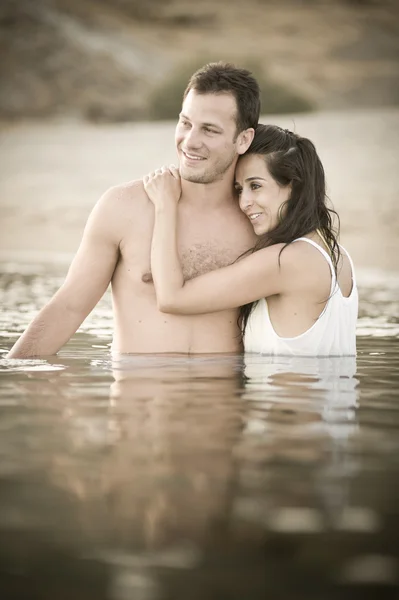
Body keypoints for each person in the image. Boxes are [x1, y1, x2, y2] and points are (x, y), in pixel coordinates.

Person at [8, 62, 260, 358]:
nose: (190, 141)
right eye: (185, 123)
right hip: (139, 396)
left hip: (223, 400)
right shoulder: (124, 207)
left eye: (209, 130)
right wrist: (14, 372)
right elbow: (68, 306)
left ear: (243, 139)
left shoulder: (258, 219)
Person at [143, 124, 358, 356]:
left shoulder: (286, 261)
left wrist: (165, 204)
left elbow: (172, 298)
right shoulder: (339, 256)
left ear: (294, 186)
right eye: (239, 189)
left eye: (255, 186)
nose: (244, 202)